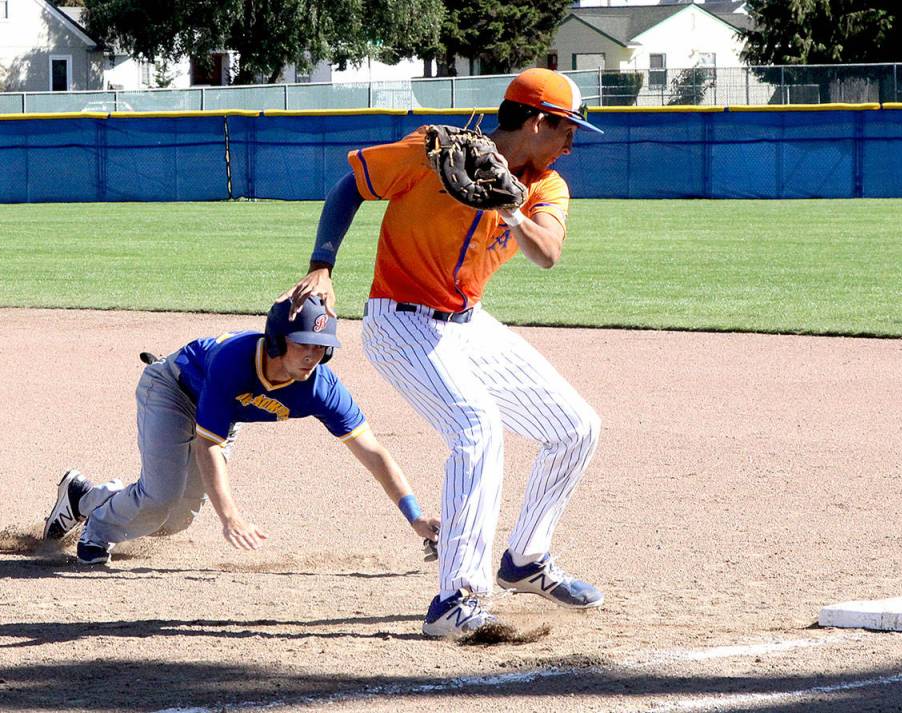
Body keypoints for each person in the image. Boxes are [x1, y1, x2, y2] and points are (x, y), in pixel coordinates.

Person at [278, 68, 604, 638]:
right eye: (566, 129)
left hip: (468, 324)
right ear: (535, 121)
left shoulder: (545, 185)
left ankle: (526, 560)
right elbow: (351, 185)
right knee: (477, 427)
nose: (571, 143)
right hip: (400, 322)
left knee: (576, 427)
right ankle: (457, 599)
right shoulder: (434, 152)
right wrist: (321, 265)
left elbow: (547, 253)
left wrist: (510, 207)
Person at [42, 296, 439, 565]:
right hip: (173, 391)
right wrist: (230, 516)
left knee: (174, 521)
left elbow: (372, 452)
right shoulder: (235, 362)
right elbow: (208, 446)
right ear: (277, 341)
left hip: (221, 415)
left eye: (321, 347)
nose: (312, 356)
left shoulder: (321, 388)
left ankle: (83, 496)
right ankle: (98, 526)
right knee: (159, 496)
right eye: (303, 344)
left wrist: (415, 517)